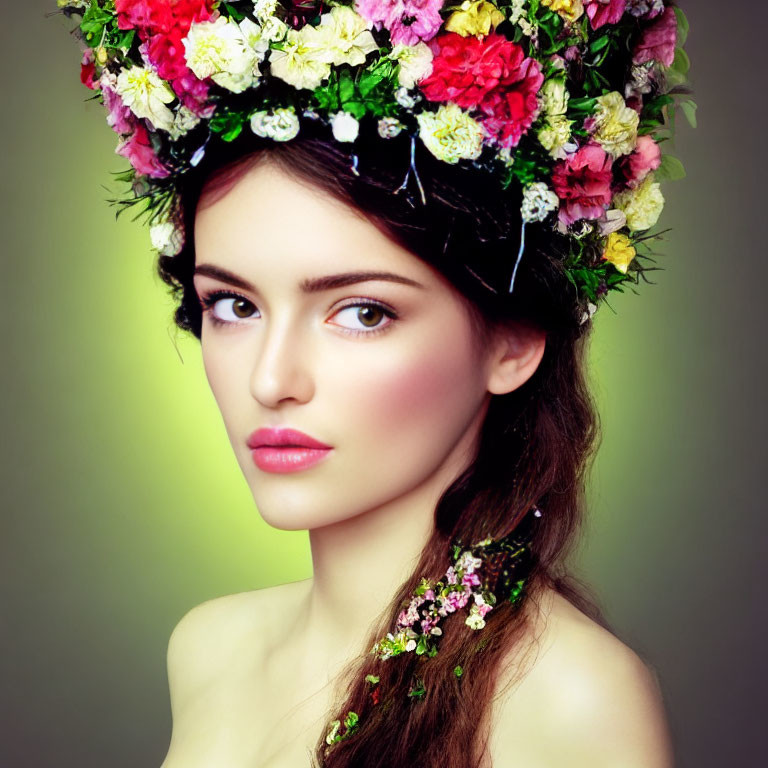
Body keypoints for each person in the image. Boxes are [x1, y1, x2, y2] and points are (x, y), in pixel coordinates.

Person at [55, 1, 691, 766]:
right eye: (233, 305)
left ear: (514, 340)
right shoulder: (208, 649)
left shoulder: (574, 703)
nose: (271, 379)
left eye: (361, 312)